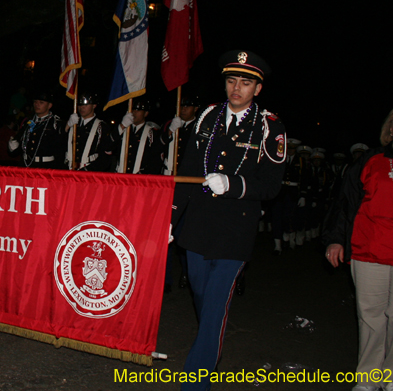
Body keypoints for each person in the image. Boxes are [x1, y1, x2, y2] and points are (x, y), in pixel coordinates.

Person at [171, 50, 286, 390]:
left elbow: (272, 185)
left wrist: (233, 185)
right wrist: (172, 218)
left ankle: (196, 379)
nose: (237, 88)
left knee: (216, 305)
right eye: (232, 80)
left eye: (246, 82)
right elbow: (188, 171)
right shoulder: (207, 116)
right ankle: (209, 346)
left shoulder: (270, 127)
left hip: (235, 227)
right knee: (202, 296)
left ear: (258, 89)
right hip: (197, 225)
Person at [323, 103, 393, 391]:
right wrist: (335, 239)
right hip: (369, 250)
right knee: (371, 315)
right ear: (389, 128)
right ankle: (368, 377)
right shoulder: (371, 160)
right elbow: (345, 202)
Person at [8, 90, 65, 169]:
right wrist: (13, 147)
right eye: (35, 102)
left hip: (45, 167)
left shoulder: (55, 124)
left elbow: (60, 151)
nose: (37, 105)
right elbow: (20, 143)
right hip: (26, 165)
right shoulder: (28, 122)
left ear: (49, 105)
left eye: (41, 102)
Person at [113, 97, 165, 175]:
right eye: (133, 109)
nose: (134, 112)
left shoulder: (152, 133)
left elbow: (156, 160)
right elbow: (108, 147)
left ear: (146, 113)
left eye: (138, 110)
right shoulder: (122, 129)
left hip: (140, 179)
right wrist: (122, 126)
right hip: (120, 177)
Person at [64, 92, 113, 171]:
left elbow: (105, 157)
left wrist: (88, 170)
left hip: (90, 170)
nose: (82, 108)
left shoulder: (101, 126)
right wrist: (67, 126)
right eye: (80, 105)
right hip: (69, 169)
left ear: (94, 106)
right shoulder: (72, 123)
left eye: (86, 105)